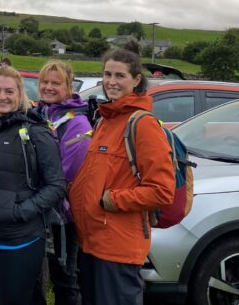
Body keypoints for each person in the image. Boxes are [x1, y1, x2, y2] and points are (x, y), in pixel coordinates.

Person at [69, 43, 175, 305]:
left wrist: (112, 200)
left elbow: (162, 190)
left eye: (120, 76)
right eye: (107, 74)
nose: (111, 82)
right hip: (92, 242)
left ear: (136, 80)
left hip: (118, 247)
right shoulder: (106, 119)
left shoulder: (143, 124)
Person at [0, 66, 67, 305]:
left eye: (9, 91)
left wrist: (19, 212)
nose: (2, 96)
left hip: (19, 240)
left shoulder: (36, 133)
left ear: (20, 94)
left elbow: (56, 186)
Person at [33, 61, 92, 305]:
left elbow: (67, 174)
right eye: (44, 82)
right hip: (36, 210)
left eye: (55, 83)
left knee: (65, 280)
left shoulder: (77, 124)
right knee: (34, 276)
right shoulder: (39, 113)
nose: (48, 87)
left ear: (68, 86)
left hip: (63, 216)